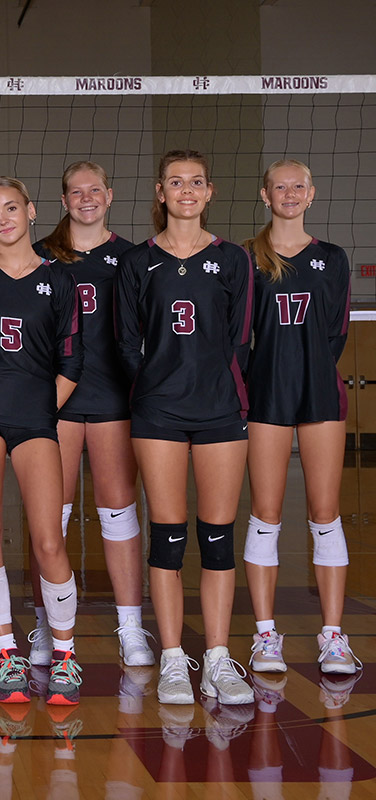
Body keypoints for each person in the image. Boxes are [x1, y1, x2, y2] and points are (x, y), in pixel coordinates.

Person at [114, 149, 254, 706]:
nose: (187, 190)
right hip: (158, 413)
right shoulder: (138, 263)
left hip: (219, 411)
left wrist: (219, 388)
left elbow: (241, 339)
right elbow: (126, 342)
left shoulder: (234, 259)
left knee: (218, 539)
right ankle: (174, 658)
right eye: (176, 182)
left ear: (210, 191)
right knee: (168, 538)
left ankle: (218, 659)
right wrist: (154, 385)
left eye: (196, 181)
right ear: (160, 192)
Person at [0, 176, 84, 706]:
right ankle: (7, 651)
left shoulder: (58, 278)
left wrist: (37, 409)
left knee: (48, 539)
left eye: (10, 208)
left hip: (36, 418)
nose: (1, 219)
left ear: (30, 210)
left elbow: (72, 358)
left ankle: (66, 654)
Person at [30, 162, 154, 669]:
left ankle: (130, 627)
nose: (86, 198)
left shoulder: (134, 258)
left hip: (112, 400)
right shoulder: (39, 257)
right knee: (47, 519)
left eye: (94, 190)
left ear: (110, 194)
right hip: (52, 401)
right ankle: (46, 623)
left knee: (119, 512)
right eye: (75, 192)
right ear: (63, 199)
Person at [242, 159, 358, 675]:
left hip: (318, 394)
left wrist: (306, 367)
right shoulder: (246, 258)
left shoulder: (332, 258)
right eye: (280, 186)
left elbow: (335, 333)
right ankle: (265, 636)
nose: (289, 193)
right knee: (266, 514)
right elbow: (239, 335)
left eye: (299, 186)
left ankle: (333, 636)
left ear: (311, 195)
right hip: (265, 394)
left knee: (324, 512)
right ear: (265, 195)